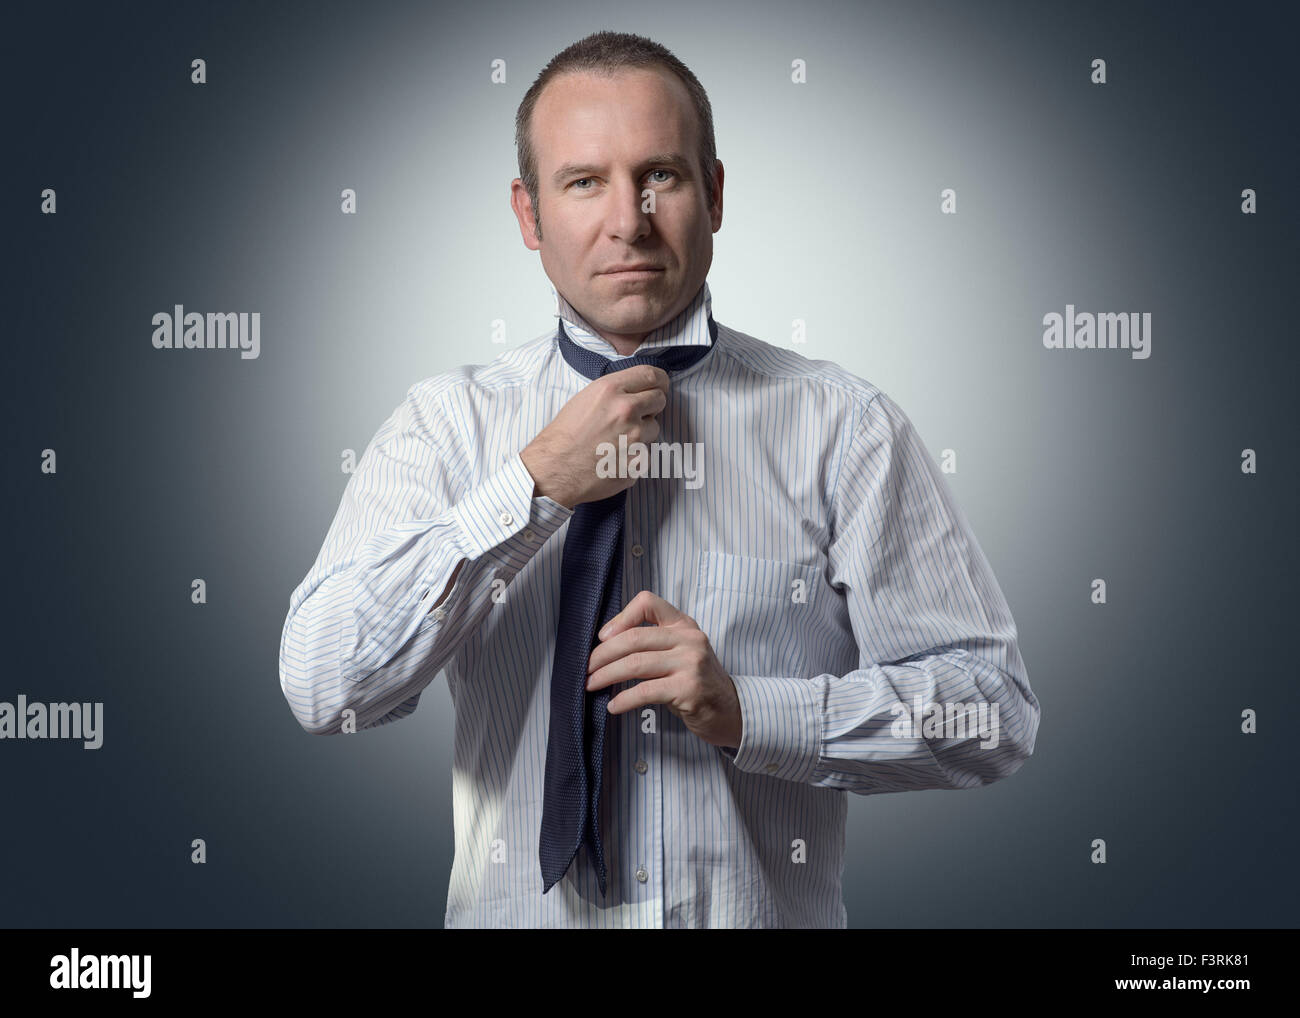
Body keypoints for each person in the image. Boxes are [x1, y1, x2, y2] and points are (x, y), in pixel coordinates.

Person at [278, 30, 1041, 928]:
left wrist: (750, 711)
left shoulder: (844, 426)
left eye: (661, 176)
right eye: (583, 181)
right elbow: (325, 686)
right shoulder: (448, 426)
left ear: (714, 194)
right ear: (528, 216)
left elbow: (993, 716)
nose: (628, 220)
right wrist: (530, 489)